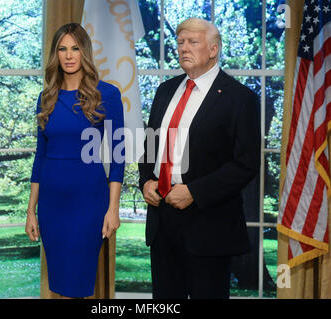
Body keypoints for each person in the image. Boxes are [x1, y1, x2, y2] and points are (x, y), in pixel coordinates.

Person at [138, 18, 260, 299]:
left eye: (193, 42)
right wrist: (146, 181)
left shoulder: (240, 99)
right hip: (162, 222)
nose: (183, 48)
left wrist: (194, 191)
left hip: (209, 226)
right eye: (180, 42)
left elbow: (246, 164)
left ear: (214, 49)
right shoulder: (165, 90)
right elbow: (150, 145)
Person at [25, 23, 125, 299]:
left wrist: (113, 209)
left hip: (88, 203)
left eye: (75, 48)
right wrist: (31, 210)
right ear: (55, 55)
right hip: (51, 205)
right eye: (62, 49)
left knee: (78, 285)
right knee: (60, 286)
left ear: (85, 53)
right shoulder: (46, 98)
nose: (69, 55)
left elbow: (118, 157)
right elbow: (40, 156)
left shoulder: (107, 94)